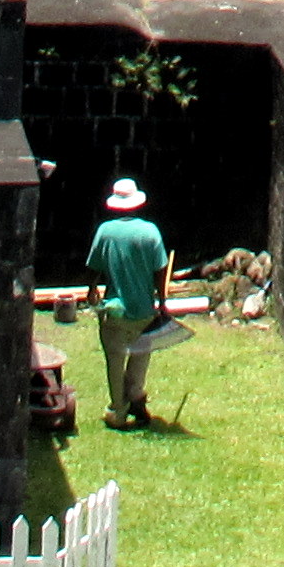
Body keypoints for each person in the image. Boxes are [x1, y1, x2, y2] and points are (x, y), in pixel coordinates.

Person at [86, 177, 171, 430]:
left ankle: (118, 410)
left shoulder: (105, 232)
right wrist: (162, 301)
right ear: (137, 203)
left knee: (114, 361)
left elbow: (93, 267)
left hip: (114, 308)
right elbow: (160, 269)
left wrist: (91, 289)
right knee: (140, 357)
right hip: (144, 309)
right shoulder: (150, 232)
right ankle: (135, 397)